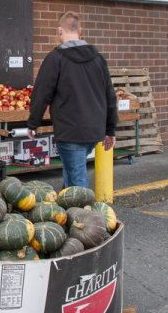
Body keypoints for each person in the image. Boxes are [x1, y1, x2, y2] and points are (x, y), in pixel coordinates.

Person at [27, 11, 117, 188]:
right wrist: (110, 129)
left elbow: (41, 93)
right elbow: (110, 95)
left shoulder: (55, 58)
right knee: (72, 174)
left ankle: (84, 214)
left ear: (60, 32)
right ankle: (67, 211)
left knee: (77, 185)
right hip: (94, 131)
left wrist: (33, 123)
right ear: (80, 31)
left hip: (70, 131)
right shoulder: (98, 59)